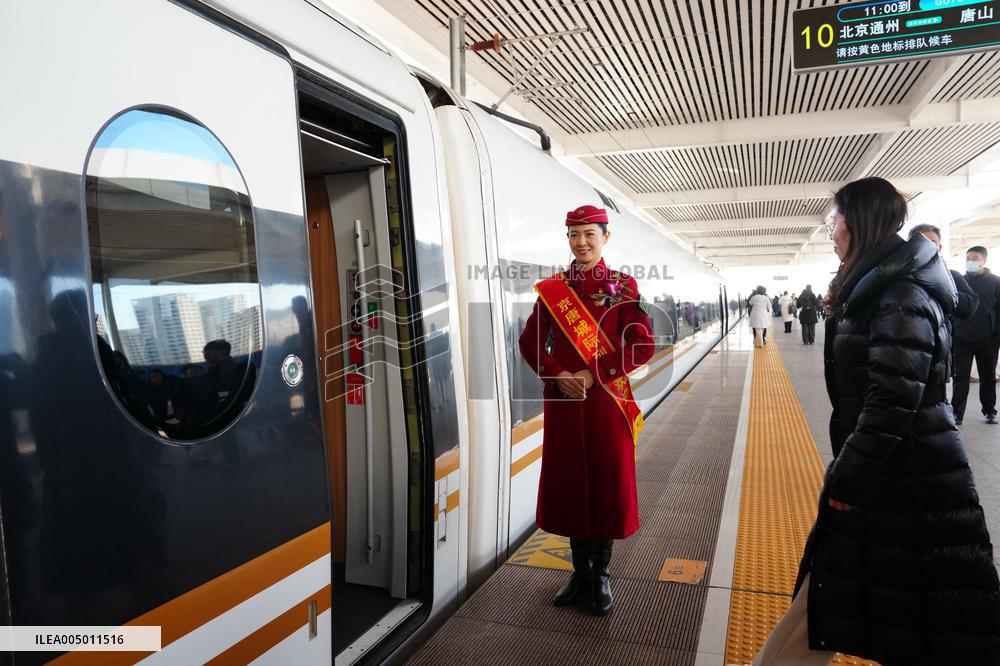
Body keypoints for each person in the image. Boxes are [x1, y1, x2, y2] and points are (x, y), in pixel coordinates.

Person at [751, 177, 1000, 665]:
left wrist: (848, 477)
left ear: (858, 221)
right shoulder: (884, 281)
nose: (830, 230)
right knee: (865, 603)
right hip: (900, 474)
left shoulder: (899, 290)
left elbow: (892, 397)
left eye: (834, 220)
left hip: (901, 477)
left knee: (837, 600)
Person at [518, 204, 653, 617]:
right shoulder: (554, 290)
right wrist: (556, 374)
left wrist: (595, 374)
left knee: (606, 483)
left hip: (607, 402)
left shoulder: (624, 286)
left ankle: (601, 575)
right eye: (574, 235)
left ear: (605, 238)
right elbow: (529, 343)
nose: (581, 243)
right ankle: (577, 572)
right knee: (572, 484)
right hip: (564, 403)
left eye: (589, 234)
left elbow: (642, 346)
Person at [952, 245, 1000, 425]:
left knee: (987, 376)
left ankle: (989, 410)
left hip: (988, 339)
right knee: (960, 376)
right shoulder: (958, 281)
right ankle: (957, 413)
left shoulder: (996, 282)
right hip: (961, 338)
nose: (970, 262)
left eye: (975, 258)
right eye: (968, 258)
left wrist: (997, 337)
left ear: (984, 260)